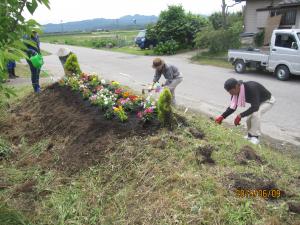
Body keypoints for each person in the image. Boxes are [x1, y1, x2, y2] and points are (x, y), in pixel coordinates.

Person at [215, 78, 276, 145]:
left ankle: (255, 137)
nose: (230, 94)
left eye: (231, 92)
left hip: (267, 101)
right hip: (257, 102)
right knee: (249, 119)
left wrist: (240, 116)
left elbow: (255, 107)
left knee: (255, 115)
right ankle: (250, 136)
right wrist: (222, 116)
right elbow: (232, 107)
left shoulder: (251, 88)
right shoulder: (235, 93)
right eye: (229, 92)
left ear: (237, 86)